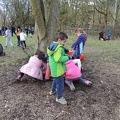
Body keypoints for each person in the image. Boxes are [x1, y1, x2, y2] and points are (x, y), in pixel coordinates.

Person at [47, 32, 70, 105]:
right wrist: (68, 57)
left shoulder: (53, 45)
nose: (64, 43)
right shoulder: (58, 48)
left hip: (54, 69)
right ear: (59, 40)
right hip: (58, 69)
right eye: (64, 41)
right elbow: (58, 59)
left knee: (55, 80)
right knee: (60, 84)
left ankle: (53, 90)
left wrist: (64, 52)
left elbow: (57, 56)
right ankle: (59, 98)